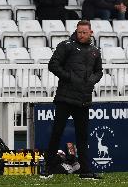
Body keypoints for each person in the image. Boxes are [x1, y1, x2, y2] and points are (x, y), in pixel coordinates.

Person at [43, 20, 103, 179]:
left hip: (84, 98)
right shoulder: (66, 45)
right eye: (79, 32)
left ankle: (85, 171)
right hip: (65, 97)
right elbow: (53, 65)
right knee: (57, 132)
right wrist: (69, 77)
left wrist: (92, 80)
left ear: (91, 33)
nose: (81, 35)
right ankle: (48, 168)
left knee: (82, 136)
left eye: (84, 32)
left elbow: (99, 72)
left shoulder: (95, 51)